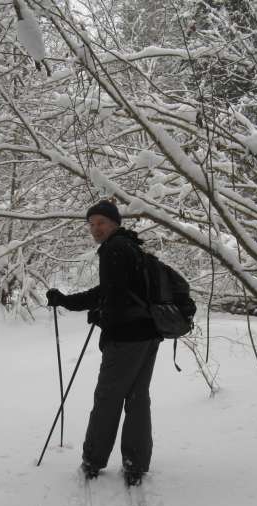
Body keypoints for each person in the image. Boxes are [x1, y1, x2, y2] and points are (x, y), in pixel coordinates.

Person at [46, 200, 160, 486]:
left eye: (102, 223)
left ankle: (93, 460)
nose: (96, 229)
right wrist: (71, 302)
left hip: (126, 338)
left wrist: (102, 314)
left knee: (108, 399)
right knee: (137, 398)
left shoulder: (114, 249)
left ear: (115, 224)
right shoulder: (132, 247)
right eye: (92, 223)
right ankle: (135, 462)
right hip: (148, 334)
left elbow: (115, 297)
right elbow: (110, 291)